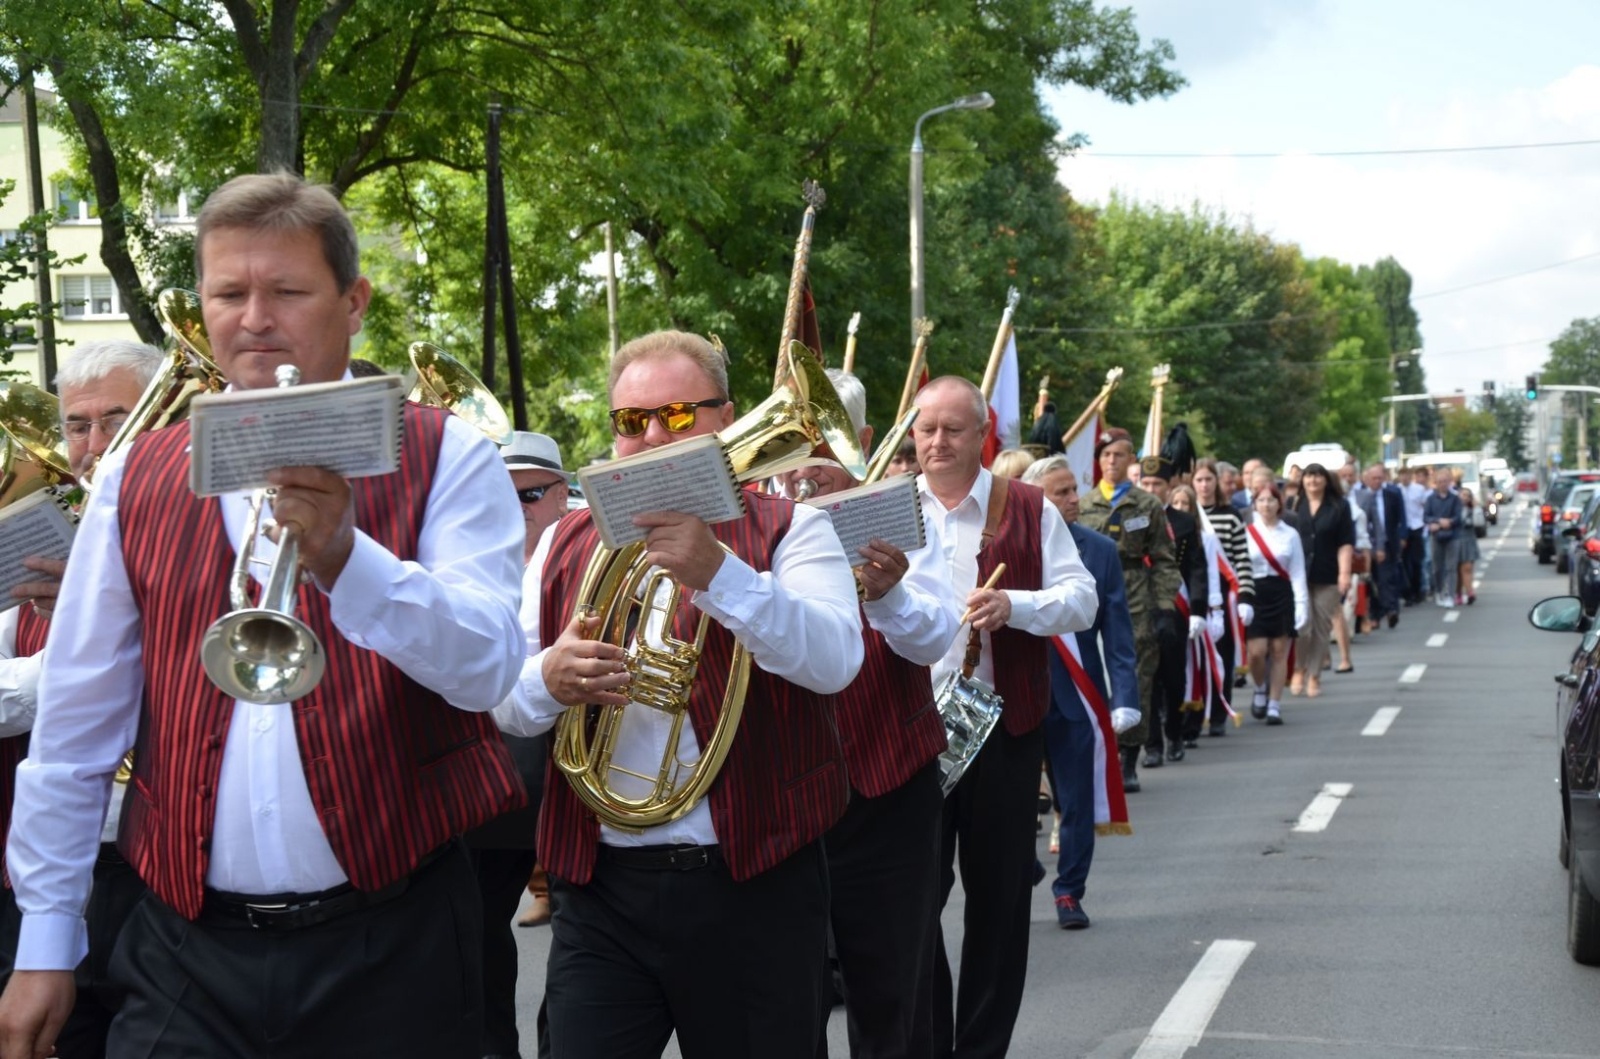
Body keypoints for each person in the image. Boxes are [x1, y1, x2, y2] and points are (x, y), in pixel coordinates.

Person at [0, 172, 528, 1059]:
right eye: (228, 293)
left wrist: (347, 560)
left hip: (392, 935)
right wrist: (46, 939)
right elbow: (81, 718)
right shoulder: (139, 473)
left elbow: (487, 667)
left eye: (286, 290)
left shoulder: (451, 453)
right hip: (183, 945)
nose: (253, 318)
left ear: (353, 301)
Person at [496, 330, 863, 1059]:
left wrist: (721, 574)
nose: (653, 435)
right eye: (632, 421)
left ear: (724, 417)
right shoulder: (562, 541)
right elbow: (502, 695)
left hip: (754, 885)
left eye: (676, 414)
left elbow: (835, 661)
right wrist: (549, 678)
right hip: (599, 891)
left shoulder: (796, 530)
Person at [905, 376, 1096, 1058]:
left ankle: (981, 1049)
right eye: (926, 427)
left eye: (953, 428)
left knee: (1000, 903)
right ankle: (928, 1042)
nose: (937, 441)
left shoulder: (1027, 505)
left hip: (1002, 732)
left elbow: (1083, 600)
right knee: (910, 906)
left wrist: (1016, 605)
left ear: (982, 434)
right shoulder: (893, 504)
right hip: (913, 734)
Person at [784, 370, 960, 1059]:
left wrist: (888, 596)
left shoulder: (901, 511)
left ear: (860, 441)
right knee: (785, 996)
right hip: (786, 796)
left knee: (891, 995)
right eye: (791, 445)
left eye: (821, 443)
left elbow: (936, 635)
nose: (804, 467)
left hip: (888, 788)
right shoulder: (748, 522)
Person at [0, 341, 163, 1059]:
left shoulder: (204, 541)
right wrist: (84, 647)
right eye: (77, 425)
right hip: (53, 867)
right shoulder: (36, 538)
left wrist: (115, 619)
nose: (94, 446)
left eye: (117, 420)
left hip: (165, 867)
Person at [470, 431, 573, 1059]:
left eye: (531, 493)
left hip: (578, 778)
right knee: (479, 935)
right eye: (502, 494)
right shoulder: (469, 558)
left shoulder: (594, 552)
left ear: (562, 495)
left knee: (584, 949)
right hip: (497, 781)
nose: (517, 507)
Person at [1021, 456, 1138, 930]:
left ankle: (1069, 890)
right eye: (1061, 492)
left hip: (1077, 697)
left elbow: (1117, 630)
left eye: (1073, 490)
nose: (1073, 499)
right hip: (1019, 694)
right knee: (1010, 801)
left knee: (1077, 801)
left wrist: (1125, 695)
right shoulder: (1010, 546)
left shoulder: (1100, 550)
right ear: (1035, 500)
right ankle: (1019, 864)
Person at [1077, 428, 1179, 794]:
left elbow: (1166, 560)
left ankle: (1129, 756)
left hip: (1135, 593)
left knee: (1137, 675)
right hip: (1090, 593)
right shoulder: (1083, 504)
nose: (1111, 462)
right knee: (1092, 673)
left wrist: (1164, 606)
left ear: (1130, 460)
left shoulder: (1147, 505)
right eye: (1105, 455)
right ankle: (1098, 749)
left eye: (1119, 455)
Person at [1136, 459, 1207, 767]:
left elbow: (1195, 568)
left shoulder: (1184, 522)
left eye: (1157, 485)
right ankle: (1152, 745)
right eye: (1147, 484)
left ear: (1169, 487)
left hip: (1173, 608)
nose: (1152, 490)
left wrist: (1199, 611)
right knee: (1145, 678)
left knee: (1173, 676)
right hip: (1139, 607)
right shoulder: (1130, 516)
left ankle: (1174, 734)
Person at [1191, 459, 1254, 737]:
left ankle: (1219, 712)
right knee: (1195, 658)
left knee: (1223, 656)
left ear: (1217, 482)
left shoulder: (1230, 515)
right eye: (1199, 480)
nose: (1204, 485)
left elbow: (1241, 558)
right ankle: (1194, 712)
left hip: (1224, 596)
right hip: (1195, 593)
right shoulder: (1185, 513)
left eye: (1209, 480)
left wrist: (1245, 596)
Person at [1284, 464, 1353, 698]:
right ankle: (1299, 669)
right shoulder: (1293, 505)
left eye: (1317, 476)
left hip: (1327, 573)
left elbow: (1345, 542)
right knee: (1302, 626)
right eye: (1308, 476)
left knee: (1322, 627)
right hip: (1298, 575)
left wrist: (1344, 573)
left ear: (1326, 480)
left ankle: (1314, 675)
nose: (1312, 481)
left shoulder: (1339, 507)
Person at [1244, 484, 1308, 725]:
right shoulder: (1247, 533)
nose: (1267, 505)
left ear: (1279, 504)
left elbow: (1298, 572)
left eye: (1271, 500)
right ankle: (1260, 687)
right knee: (1256, 653)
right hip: (1255, 593)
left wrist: (1302, 605)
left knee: (1280, 651)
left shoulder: (1290, 534)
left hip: (1282, 593)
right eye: (1261, 500)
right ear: (1255, 505)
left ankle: (1274, 704)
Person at [1362, 464, 1405, 630]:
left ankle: (1391, 610)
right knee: (1371, 580)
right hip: (1366, 545)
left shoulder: (1392, 495)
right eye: (1373, 478)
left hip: (1387, 543)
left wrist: (1402, 536)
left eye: (1380, 478)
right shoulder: (1362, 496)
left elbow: (1401, 517)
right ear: (1367, 479)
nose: (1377, 481)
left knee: (1386, 578)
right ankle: (1375, 614)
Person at [1423, 471, 1463, 607]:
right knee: (1436, 567)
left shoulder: (1455, 498)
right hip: (1436, 536)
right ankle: (1439, 591)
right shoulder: (1431, 499)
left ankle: (1450, 595)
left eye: (1445, 481)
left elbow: (1459, 517)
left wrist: (1450, 522)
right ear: (1436, 483)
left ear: (1449, 482)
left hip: (1453, 536)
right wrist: (1438, 521)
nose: (1442, 484)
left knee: (1451, 567)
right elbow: (1426, 516)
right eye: (1440, 482)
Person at [1400, 466, 1429, 604]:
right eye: (1402, 476)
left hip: (1417, 526)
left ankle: (1418, 591)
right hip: (1403, 529)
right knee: (1405, 562)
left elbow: (1425, 506)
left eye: (1406, 475)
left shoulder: (1419, 489)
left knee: (1417, 561)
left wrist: (1425, 523)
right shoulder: (1396, 490)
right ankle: (1408, 593)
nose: (1404, 478)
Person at [1456, 487, 1479, 605]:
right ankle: (1458, 593)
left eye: (1467, 496)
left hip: (1469, 540)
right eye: (1462, 495)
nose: (1465, 498)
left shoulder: (1473, 509)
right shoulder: (1454, 508)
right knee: (1458, 570)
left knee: (1468, 567)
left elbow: (1479, 522)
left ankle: (1470, 592)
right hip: (1456, 540)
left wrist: (1476, 508)